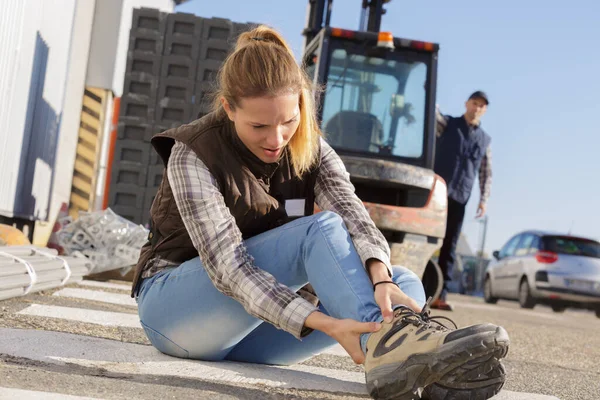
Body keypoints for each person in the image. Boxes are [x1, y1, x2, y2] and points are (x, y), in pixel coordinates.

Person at [130, 26, 508, 400]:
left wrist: (380, 277)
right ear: (229, 108)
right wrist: (324, 322)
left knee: (403, 286)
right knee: (319, 230)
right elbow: (229, 268)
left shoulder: (310, 148)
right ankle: (395, 346)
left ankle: (428, 373)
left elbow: (352, 212)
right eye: (259, 125)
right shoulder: (192, 151)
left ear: (301, 104)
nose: (276, 140)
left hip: (246, 334)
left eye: (288, 122)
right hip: (178, 317)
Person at [433, 91, 492, 311]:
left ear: (484, 110)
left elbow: (487, 172)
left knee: (450, 246)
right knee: (428, 240)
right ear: (466, 103)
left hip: (461, 197)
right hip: (437, 191)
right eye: (474, 103)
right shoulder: (448, 124)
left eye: (481, 106)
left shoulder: (485, 140)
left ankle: (441, 295)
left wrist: (483, 199)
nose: (477, 108)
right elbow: (433, 112)